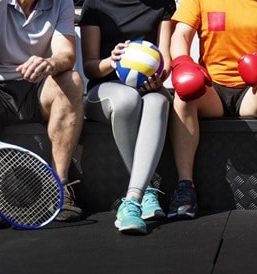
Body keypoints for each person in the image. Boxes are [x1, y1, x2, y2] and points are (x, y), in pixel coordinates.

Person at [167, 0, 257, 218]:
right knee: (183, 97)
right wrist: (183, 63)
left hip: (254, 88)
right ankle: (184, 189)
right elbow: (180, 35)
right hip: (213, 89)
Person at [0, 0, 85, 228]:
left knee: (72, 81)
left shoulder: (61, 2)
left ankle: (60, 187)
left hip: (36, 87)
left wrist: (50, 63)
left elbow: (67, 53)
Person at [79, 0, 176, 234]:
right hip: (103, 90)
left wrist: (158, 77)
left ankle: (133, 199)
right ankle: (149, 189)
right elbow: (90, 67)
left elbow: (166, 60)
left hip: (146, 88)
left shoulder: (162, 4)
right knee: (127, 100)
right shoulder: (95, 4)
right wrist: (111, 61)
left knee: (159, 101)